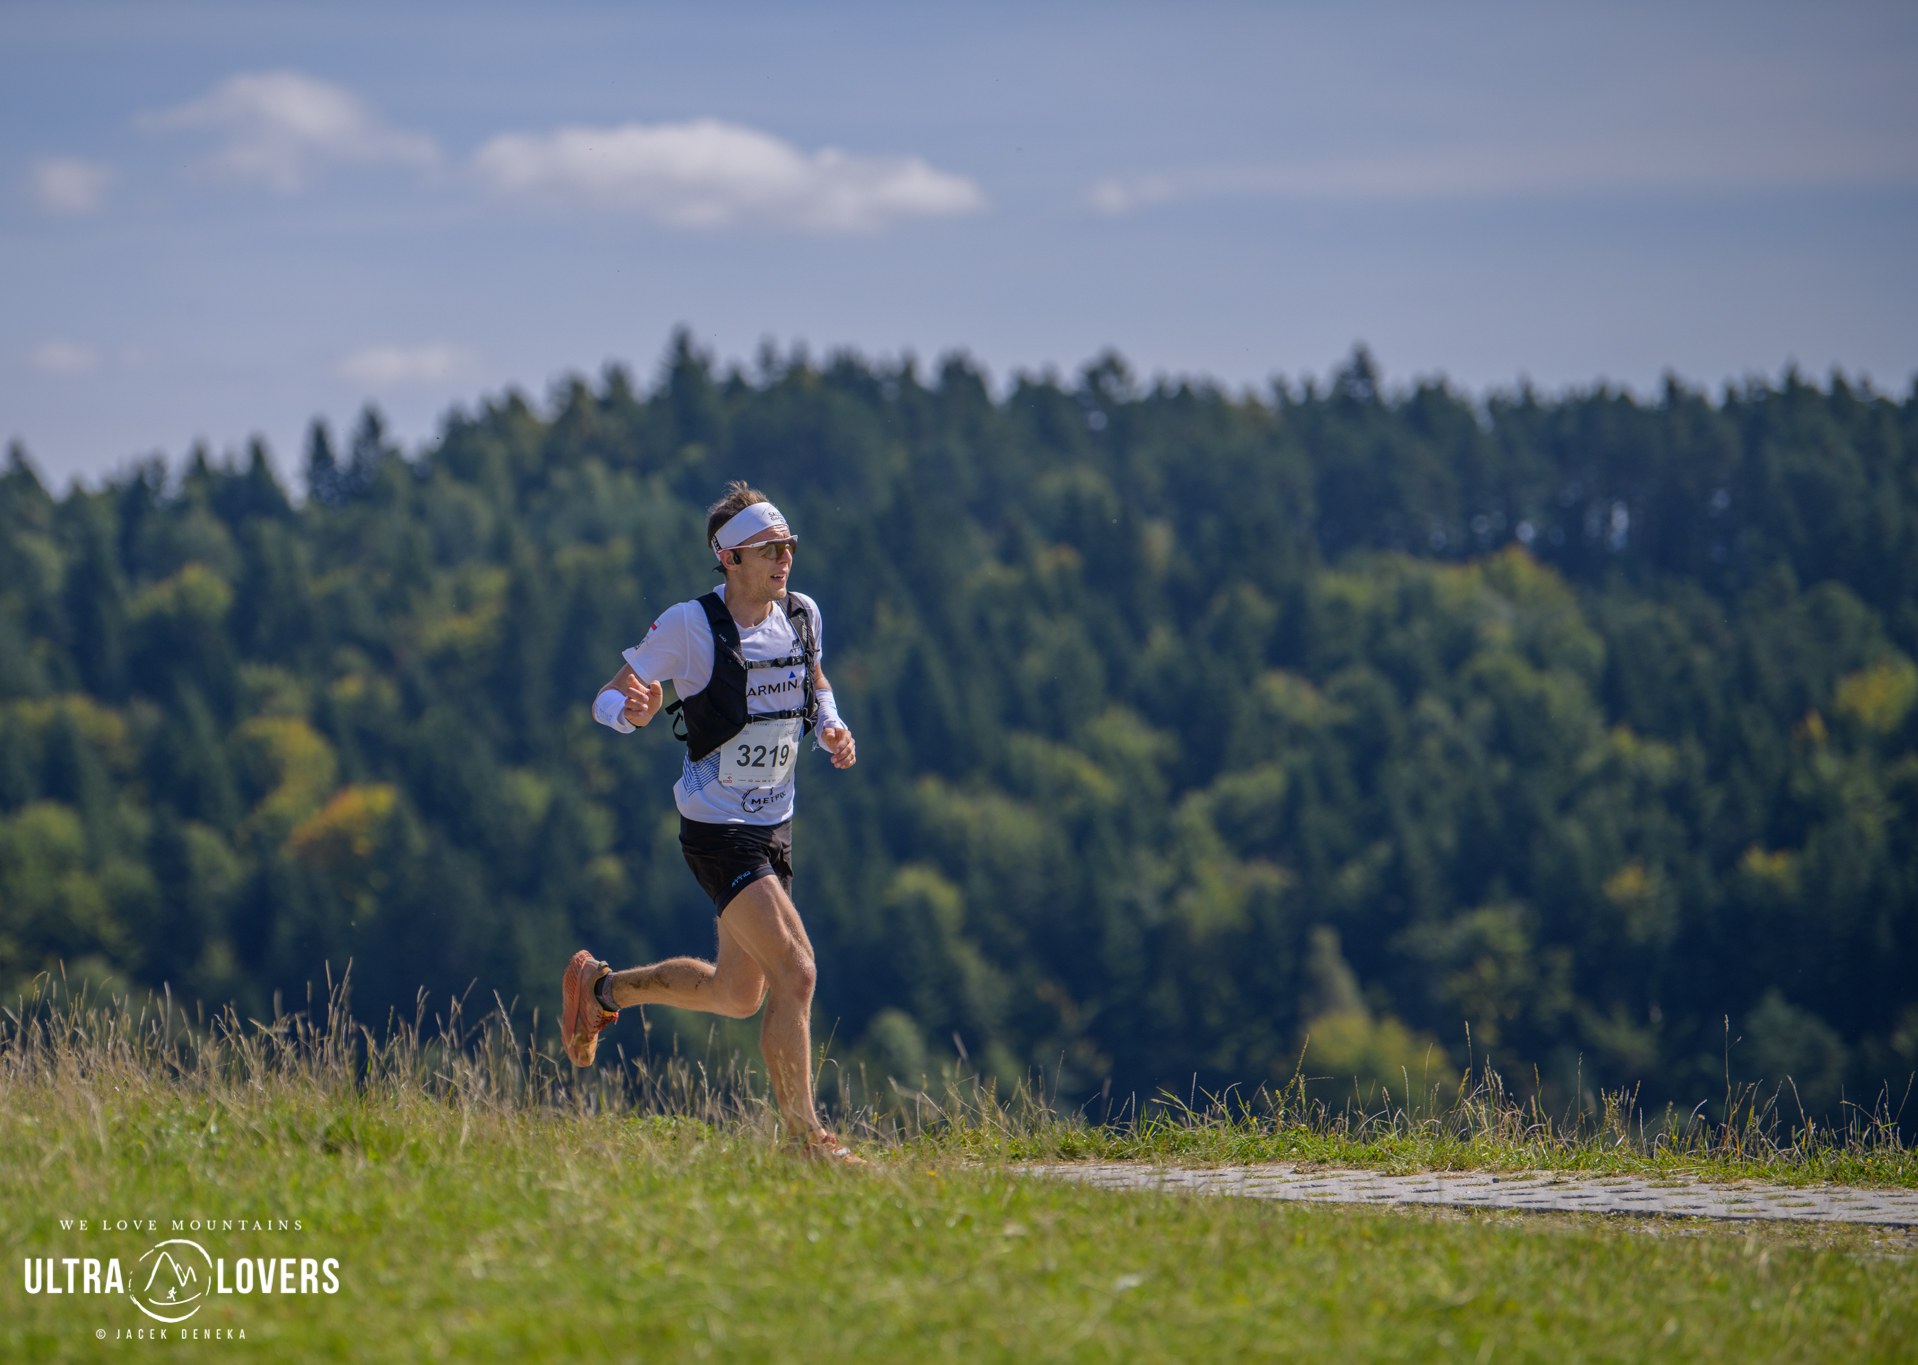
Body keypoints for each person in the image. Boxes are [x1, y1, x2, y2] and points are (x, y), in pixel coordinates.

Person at [562, 482, 864, 1163]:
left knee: (737, 994)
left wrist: (832, 728)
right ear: (729, 558)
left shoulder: (803, 614)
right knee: (797, 973)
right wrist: (629, 713)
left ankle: (601, 990)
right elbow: (607, 695)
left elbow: (815, 682)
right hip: (717, 828)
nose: (784, 559)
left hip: (776, 825)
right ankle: (804, 1142)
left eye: (788, 546)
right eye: (768, 549)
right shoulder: (689, 625)